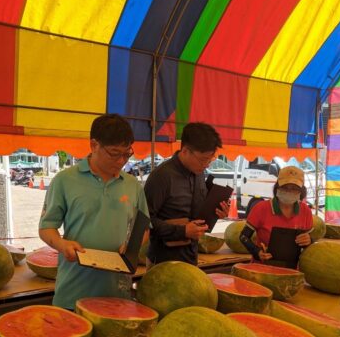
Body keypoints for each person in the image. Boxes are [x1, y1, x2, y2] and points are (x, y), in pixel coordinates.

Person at [38, 114, 149, 310]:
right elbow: (46, 228)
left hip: (117, 293)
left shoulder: (133, 186)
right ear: (94, 145)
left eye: (127, 154)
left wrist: (132, 246)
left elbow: (144, 228)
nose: (121, 161)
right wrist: (62, 245)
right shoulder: (64, 181)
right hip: (73, 292)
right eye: (114, 153)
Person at [144, 122, 229, 265]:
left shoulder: (199, 174)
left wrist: (217, 212)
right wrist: (182, 231)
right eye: (203, 159)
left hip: (191, 257)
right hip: (163, 261)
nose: (206, 164)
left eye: (210, 159)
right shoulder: (162, 176)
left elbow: (199, 214)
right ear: (185, 151)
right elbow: (145, 221)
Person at [239, 166, 313, 265]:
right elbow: (243, 236)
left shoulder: (305, 211)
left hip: (292, 270)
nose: (289, 191)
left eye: (294, 188)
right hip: (262, 268)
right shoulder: (261, 208)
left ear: (301, 191)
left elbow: (308, 241)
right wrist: (257, 252)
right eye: (285, 187)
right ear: (277, 187)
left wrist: (309, 240)